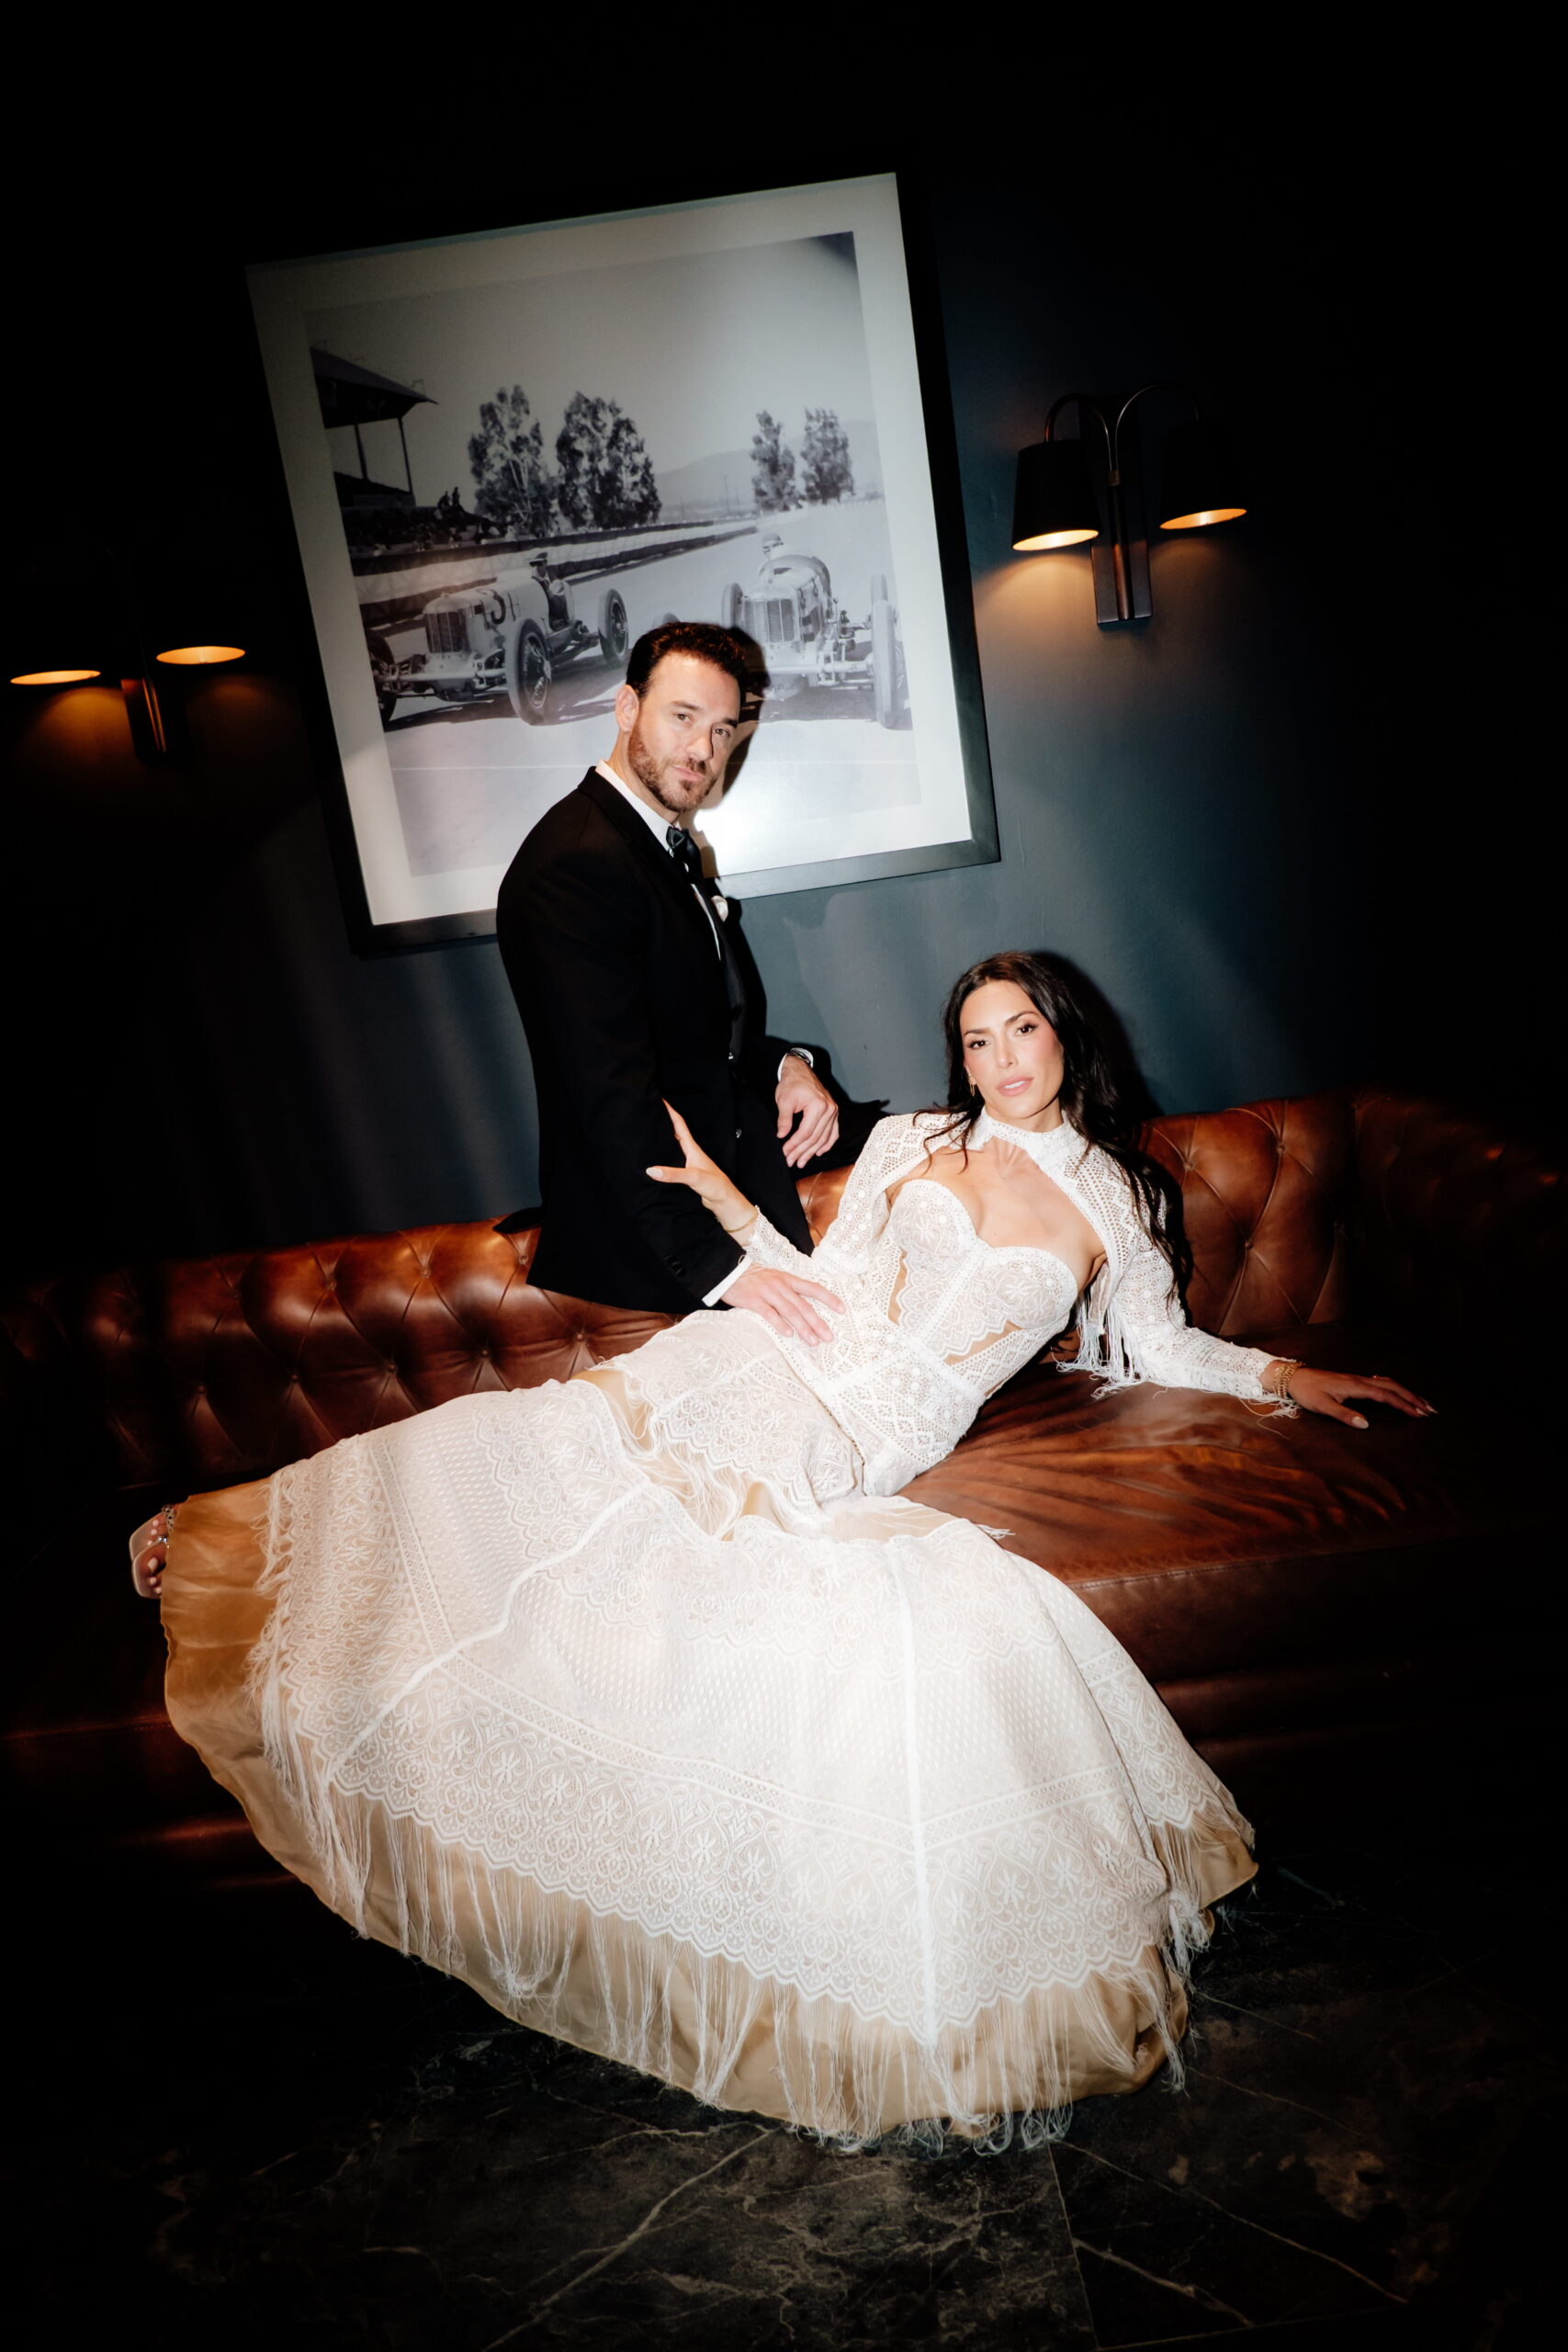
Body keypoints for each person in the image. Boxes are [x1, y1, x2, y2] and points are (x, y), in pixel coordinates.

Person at [130, 953, 1428, 2146]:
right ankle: (237, 1532)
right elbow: (827, 1277)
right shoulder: (919, 1138)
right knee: (550, 1441)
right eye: (974, 1040)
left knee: (656, 1562)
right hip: (770, 1354)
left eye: (1019, 1028)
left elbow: (1160, 1347)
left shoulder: (1114, 1202)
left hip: (870, 1424)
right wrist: (722, 1205)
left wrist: (1283, 1374)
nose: (999, 1058)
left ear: (1061, 1035)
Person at [493, 620, 841, 1336]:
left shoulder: (648, 841)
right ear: (627, 710)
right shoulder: (576, 860)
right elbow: (609, 1093)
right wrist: (724, 1272)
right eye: (682, 718)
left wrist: (786, 1067)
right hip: (656, 1253)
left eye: (721, 730)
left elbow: (692, 1035)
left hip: (735, 1175)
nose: (703, 751)